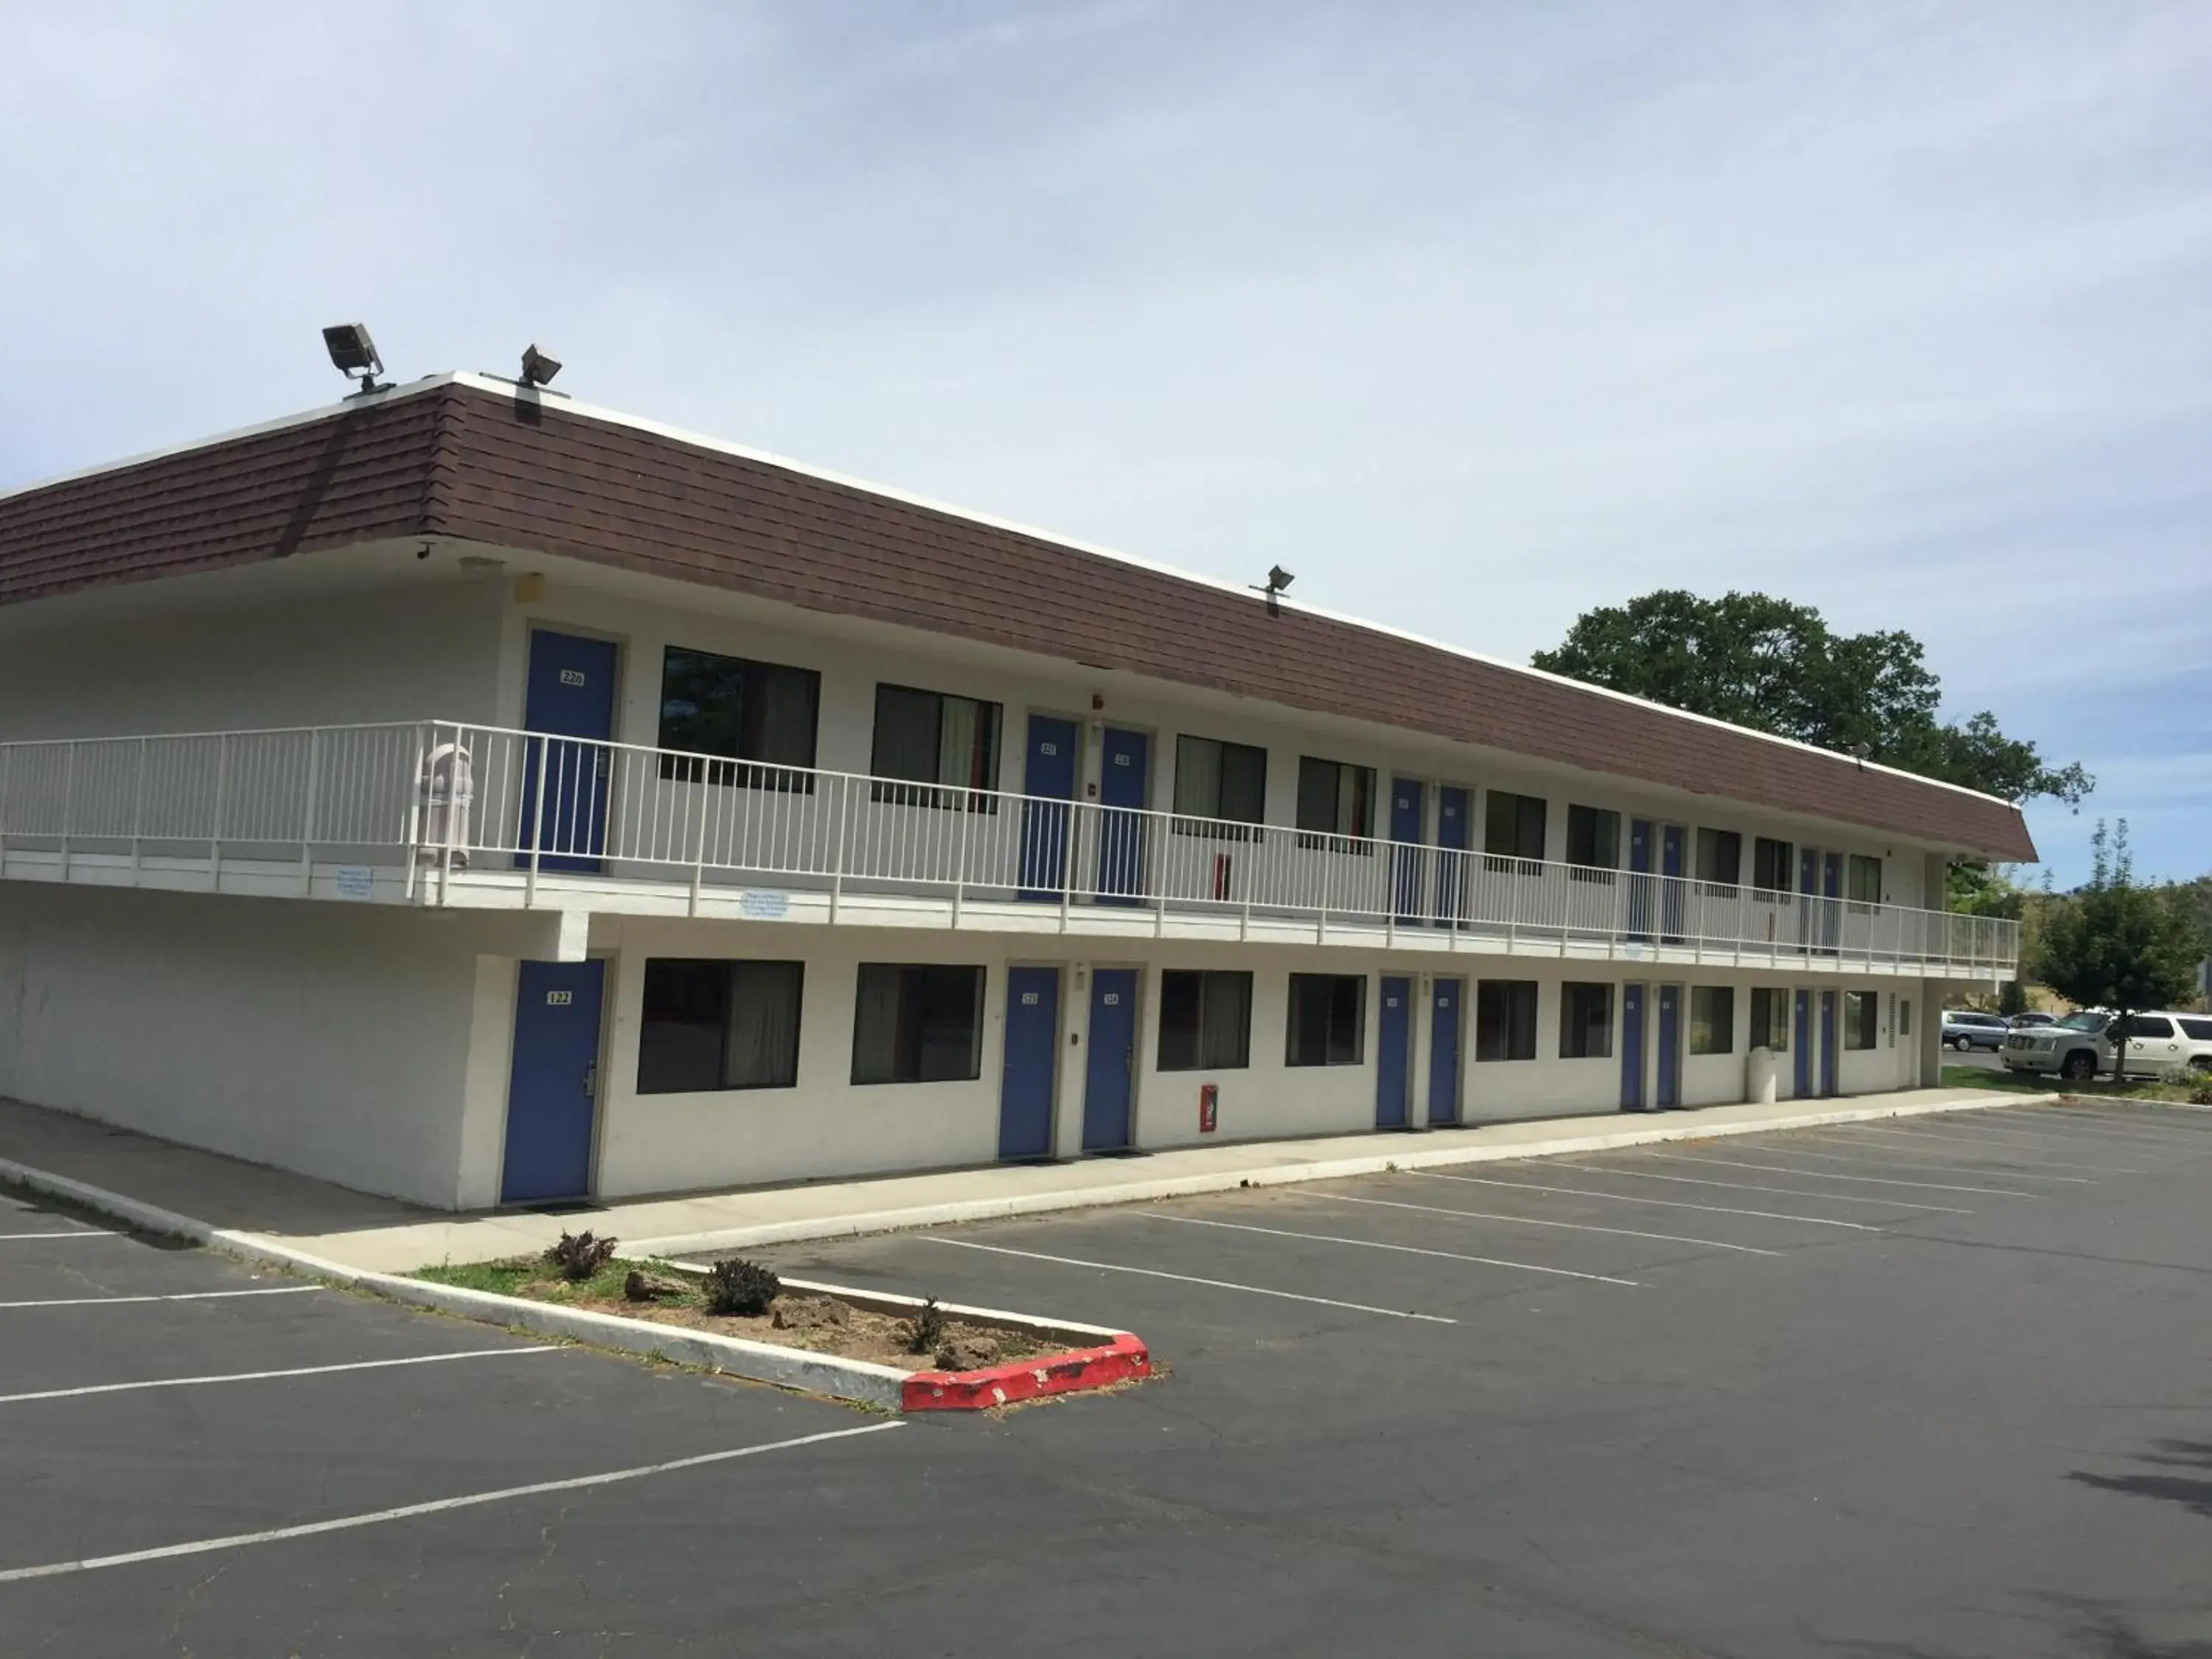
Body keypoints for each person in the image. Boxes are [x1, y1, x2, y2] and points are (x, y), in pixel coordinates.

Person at [417, 738, 474, 867]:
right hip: (430, 844)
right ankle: (444, 854)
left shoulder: (462, 783)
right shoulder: (435, 779)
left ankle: (456, 854)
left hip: (451, 844)